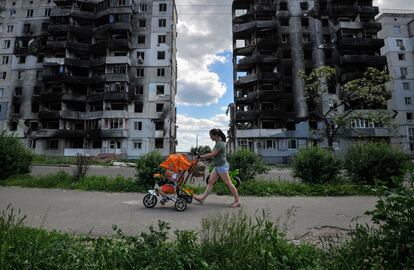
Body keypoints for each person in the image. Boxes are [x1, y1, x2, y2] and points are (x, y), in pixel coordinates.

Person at [194, 129, 241, 207]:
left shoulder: (220, 144)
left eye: (211, 135)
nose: (210, 137)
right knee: (210, 181)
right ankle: (202, 199)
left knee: (228, 183)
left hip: (222, 166)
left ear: (215, 135)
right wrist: (202, 158)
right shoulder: (218, 143)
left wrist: (200, 156)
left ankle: (237, 201)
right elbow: (215, 155)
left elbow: (212, 154)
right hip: (217, 166)